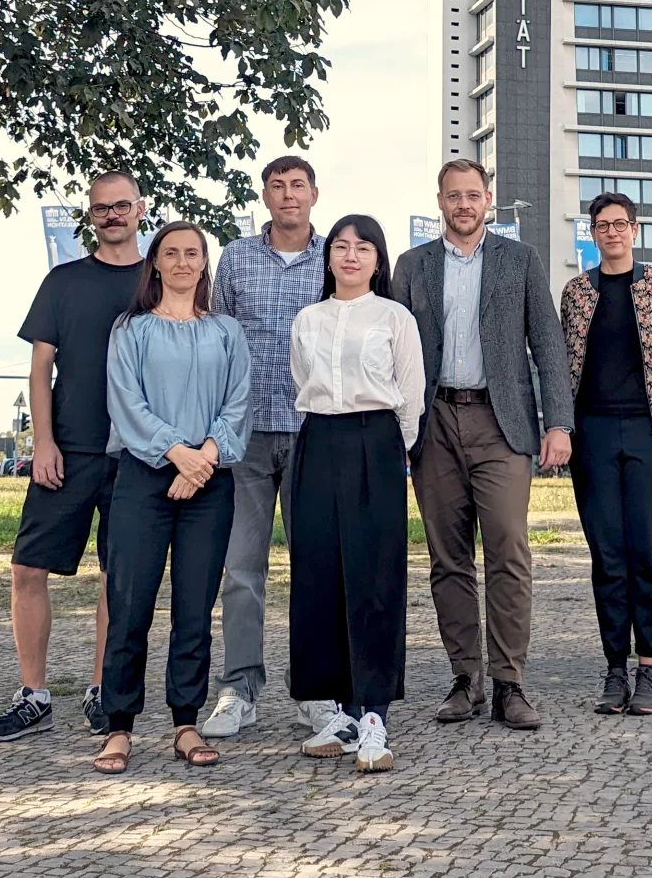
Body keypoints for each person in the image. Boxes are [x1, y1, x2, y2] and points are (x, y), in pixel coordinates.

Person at [393, 159, 574, 731]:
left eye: (474, 195)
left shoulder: (519, 260)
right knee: (447, 557)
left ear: (488, 201)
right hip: (434, 420)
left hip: (504, 424)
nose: (464, 205)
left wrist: (558, 424)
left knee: (508, 550)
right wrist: (392, 430)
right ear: (440, 202)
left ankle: (509, 683)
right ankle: (465, 679)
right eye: (454, 196)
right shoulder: (411, 266)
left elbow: (548, 345)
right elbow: (389, 350)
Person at [0, 170, 145, 743]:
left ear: (140, 209)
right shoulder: (63, 281)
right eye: (102, 208)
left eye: (122, 205)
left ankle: (102, 691)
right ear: (91, 216)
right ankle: (34, 695)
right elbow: (40, 368)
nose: (112, 215)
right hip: (68, 449)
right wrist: (41, 442)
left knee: (117, 576)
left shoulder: (161, 280)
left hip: (139, 454)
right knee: (27, 568)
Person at [91, 221, 252, 774]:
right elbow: (126, 405)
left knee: (194, 606)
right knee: (130, 602)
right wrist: (175, 453)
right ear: (155, 263)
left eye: (193, 253)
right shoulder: (130, 330)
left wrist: (202, 457)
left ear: (205, 264)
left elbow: (237, 406)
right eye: (172, 253)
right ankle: (118, 726)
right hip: (142, 478)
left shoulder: (227, 332)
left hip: (209, 481)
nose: (183, 261)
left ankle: (186, 721)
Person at [201, 156, 336, 740]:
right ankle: (239, 688)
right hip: (247, 435)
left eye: (297, 186)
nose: (288, 196)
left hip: (317, 430)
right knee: (242, 569)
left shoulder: (338, 255)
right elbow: (215, 344)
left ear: (313, 194)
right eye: (277, 187)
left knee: (317, 569)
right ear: (265, 195)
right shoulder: (235, 257)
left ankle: (317, 690)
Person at [288, 215, 425, 772]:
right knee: (320, 575)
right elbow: (304, 381)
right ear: (328, 257)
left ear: (377, 259)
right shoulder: (307, 318)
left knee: (374, 576)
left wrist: (392, 453)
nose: (350, 256)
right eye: (340, 246)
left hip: (377, 441)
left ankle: (374, 716)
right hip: (319, 439)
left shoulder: (395, 317)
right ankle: (340, 713)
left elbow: (410, 395)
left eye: (362, 247)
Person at [560, 192, 652, 717]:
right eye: (602, 225)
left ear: (634, 230)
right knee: (607, 558)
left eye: (620, 224)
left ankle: (649, 671)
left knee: (648, 555)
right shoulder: (576, 293)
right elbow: (562, 360)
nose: (611, 232)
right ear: (592, 234)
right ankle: (615, 670)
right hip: (592, 435)